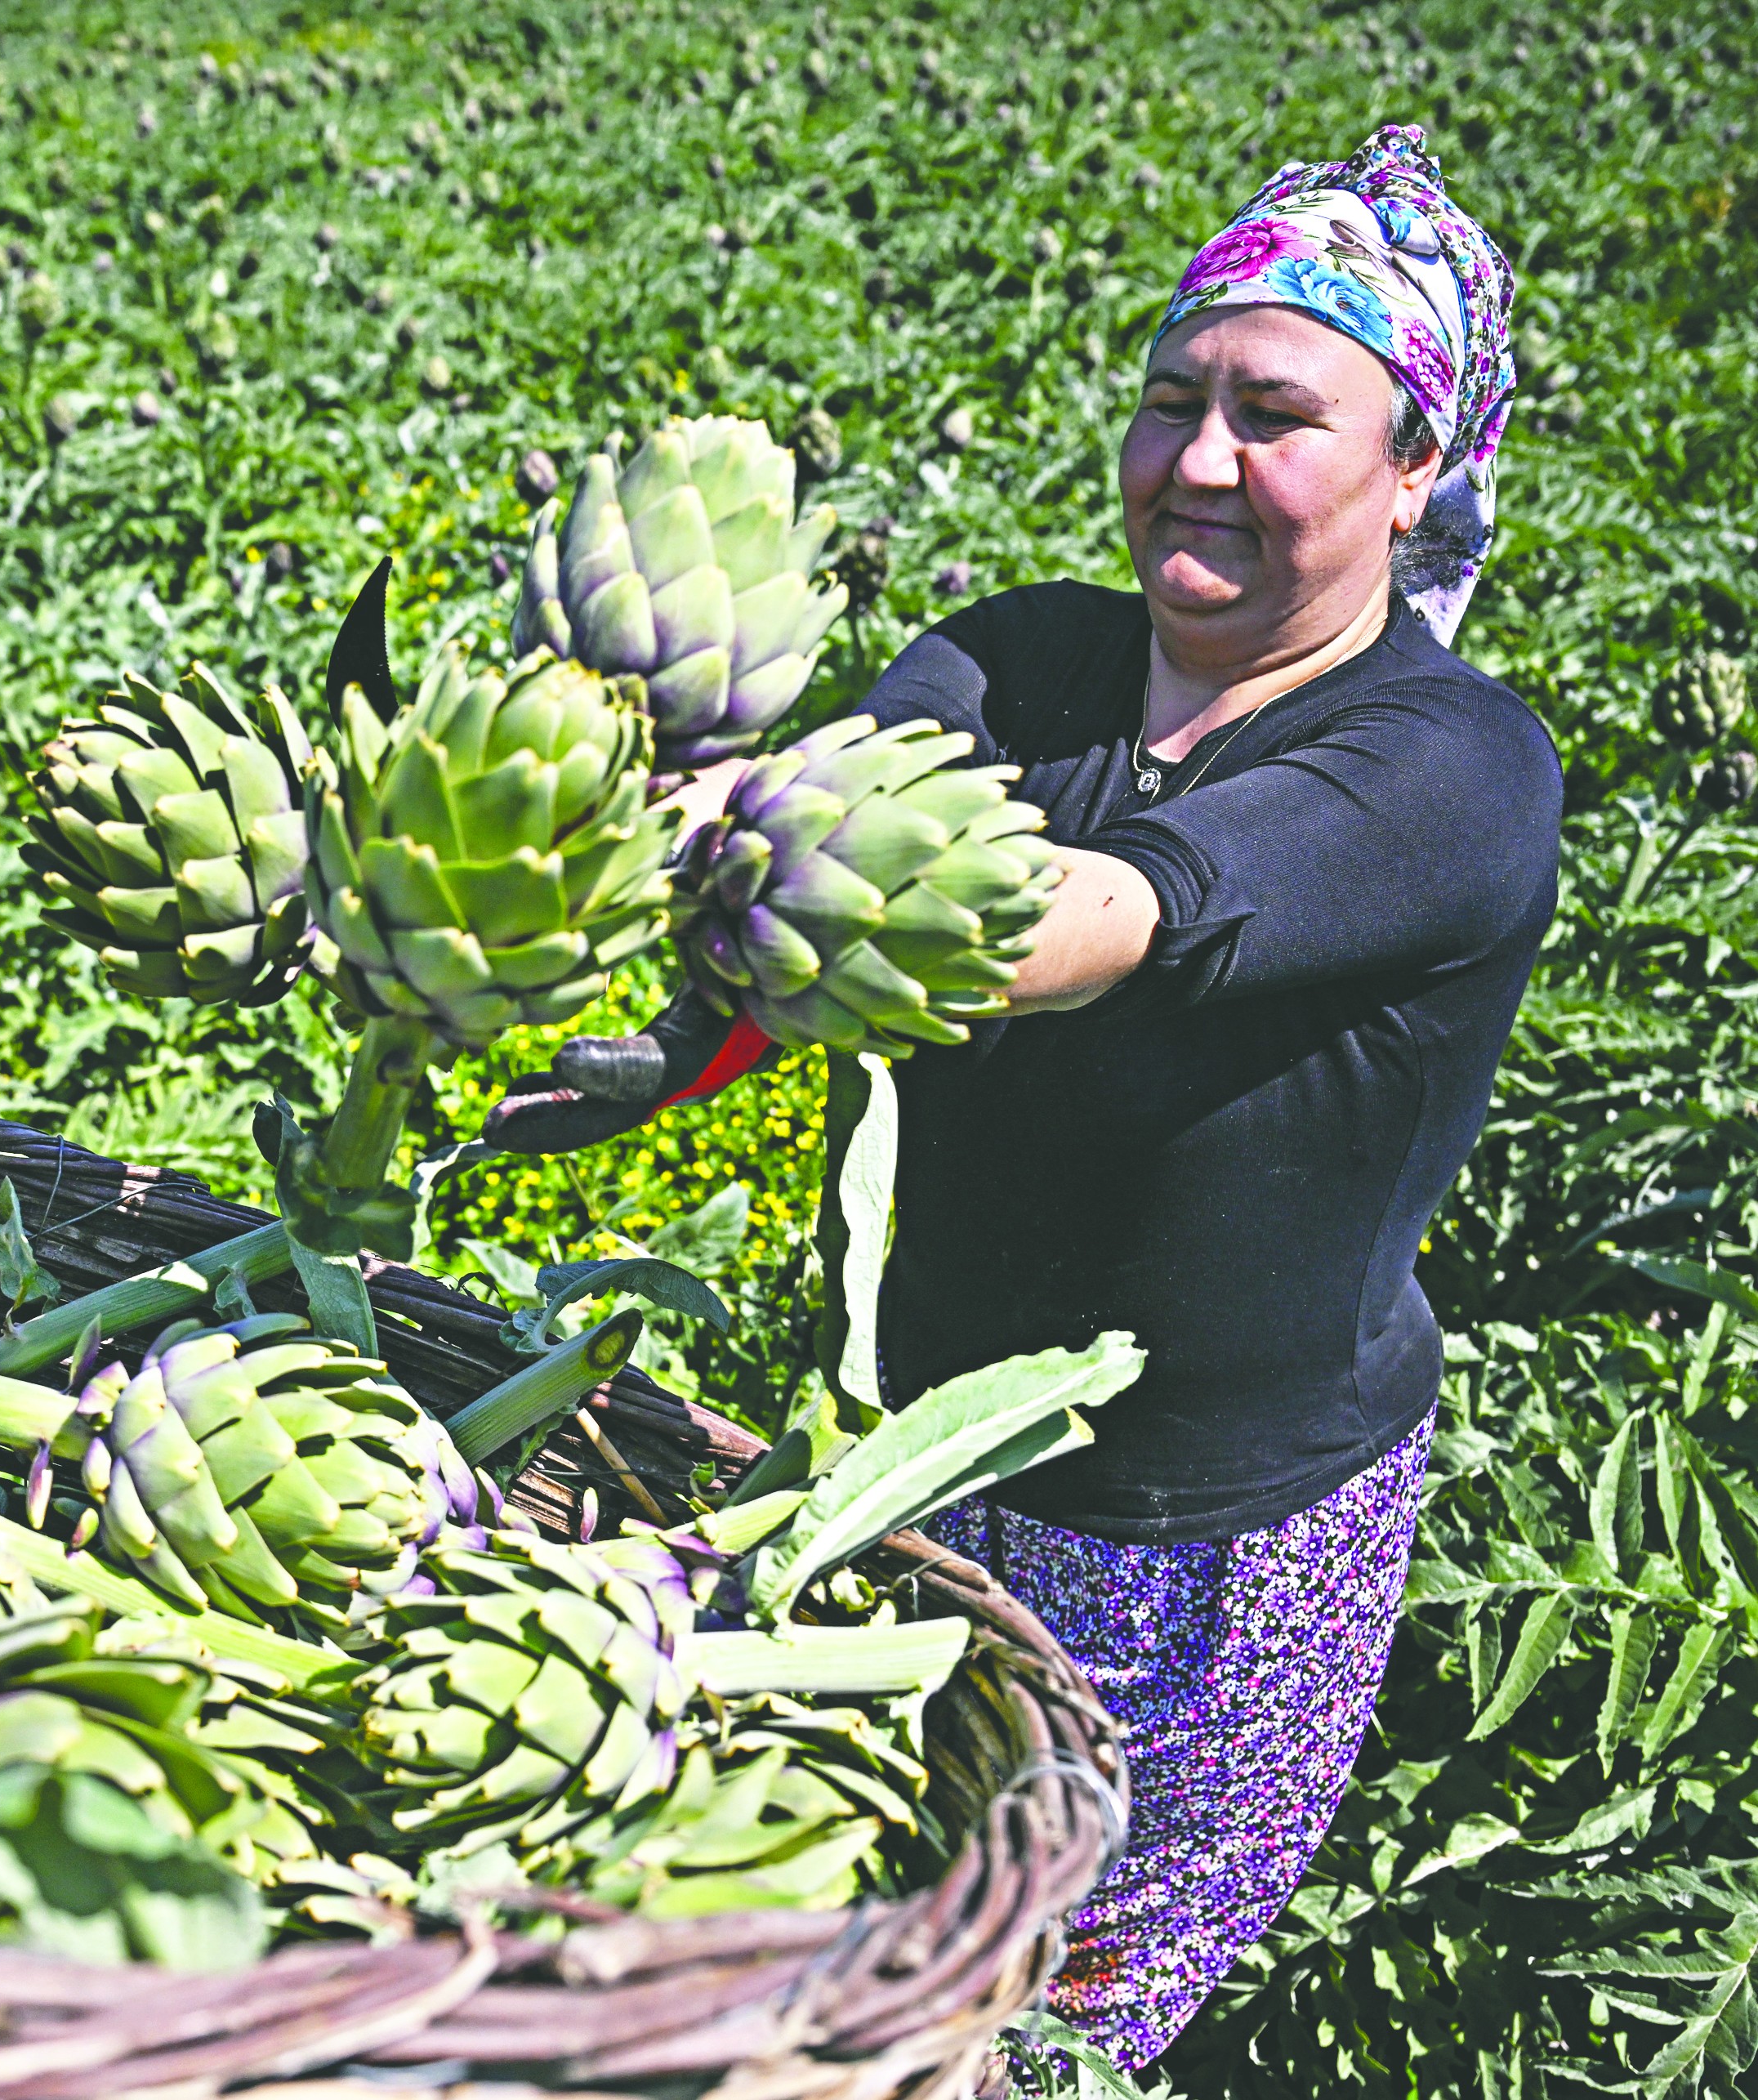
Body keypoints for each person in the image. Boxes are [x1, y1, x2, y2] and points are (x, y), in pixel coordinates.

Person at [489, 126, 1556, 2070]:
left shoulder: (1446, 769)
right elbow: (833, 876)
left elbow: (1090, 915)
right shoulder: (1024, 653)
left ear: (1414, 473)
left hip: (1202, 1553)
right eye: (1171, 401)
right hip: (897, 1460)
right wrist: (656, 1016)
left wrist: (652, 822)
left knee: (1034, 2023)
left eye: (1275, 416)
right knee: (791, 1941)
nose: (1200, 461)